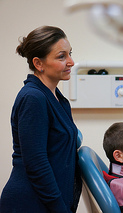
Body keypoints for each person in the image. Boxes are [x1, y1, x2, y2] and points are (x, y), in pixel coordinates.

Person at [0, 26, 82, 213]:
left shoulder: (58, 100)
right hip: (29, 203)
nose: (71, 62)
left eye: (70, 54)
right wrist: (59, 208)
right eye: (61, 56)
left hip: (47, 202)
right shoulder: (33, 98)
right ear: (39, 63)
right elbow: (37, 164)